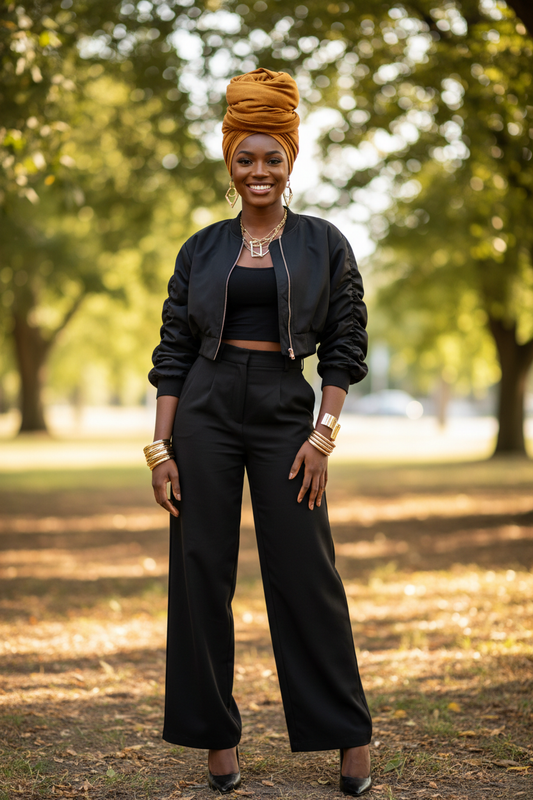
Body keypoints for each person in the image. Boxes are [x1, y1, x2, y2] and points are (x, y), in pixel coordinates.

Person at [145, 68, 372, 796]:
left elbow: (344, 343)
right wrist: (161, 450)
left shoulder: (322, 244)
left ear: (292, 160)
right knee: (200, 572)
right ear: (228, 164)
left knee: (308, 576)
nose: (258, 171)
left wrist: (323, 433)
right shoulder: (201, 248)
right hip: (205, 413)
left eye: (271, 157)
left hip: (284, 410)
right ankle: (216, 743)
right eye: (245, 158)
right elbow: (172, 351)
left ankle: (346, 736)